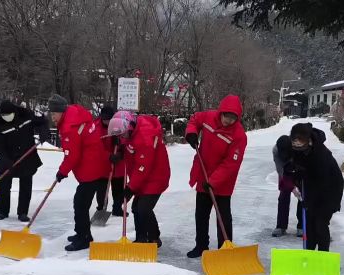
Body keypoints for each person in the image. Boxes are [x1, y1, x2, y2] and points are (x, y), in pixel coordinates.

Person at [183, 94, 247, 258]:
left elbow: (231, 164)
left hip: (223, 182)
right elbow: (194, 120)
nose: (228, 121)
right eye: (227, 116)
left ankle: (224, 248)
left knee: (223, 216)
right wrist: (191, 133)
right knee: (201, 214)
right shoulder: (209, 117)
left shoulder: (239, 135)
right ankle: (201, 245)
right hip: (203, 171)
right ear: (221, 112)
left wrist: (214, 181)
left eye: (233, 118)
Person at [48, 94, 111, 251]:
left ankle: (83, 238)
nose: (52, 117)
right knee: (81, 203)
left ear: (62, 111)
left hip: (90, 169)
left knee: (80, 204)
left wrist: (62, 172)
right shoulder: (75, 115)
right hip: (95, 165)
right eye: (51, 113)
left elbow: (72, 155)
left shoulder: (70, 127)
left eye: (54, 113)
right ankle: (83, 233)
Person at [105, 111, 170, 248]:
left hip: (156, 176)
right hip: (141, 176)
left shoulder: (146, 138)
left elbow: (143, 166)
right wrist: (121, 152)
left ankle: (154, 238)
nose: (121, 137)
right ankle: (141, 238)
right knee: (136, 207)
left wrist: (130, 188)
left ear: (129, 127)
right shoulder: (130, 131)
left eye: (122, 134)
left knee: (143, 208)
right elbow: (130, 147)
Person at [283, 123, 344, 251]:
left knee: (320, 226)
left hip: (329, 192)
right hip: (311, 190)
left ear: (308, 140)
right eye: (295, 143)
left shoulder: (321, 155)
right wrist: (294, 183)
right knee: (309, 227)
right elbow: (291, 170)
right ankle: (309, 256)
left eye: (300, 143)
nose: (296, 146)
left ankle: (323, 257)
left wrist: (309, 201)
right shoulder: (296, 150)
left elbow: (321, 181)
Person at [0, 100, 46, 222]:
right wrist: (5, 160)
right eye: (4, 115)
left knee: (26, 184)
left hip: (27, 155)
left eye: (9, 114)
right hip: (8, 158)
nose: (6, 117)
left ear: (14, 111)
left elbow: (41, 121)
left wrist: (43, 132)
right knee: (4, 184)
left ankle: (23, 212)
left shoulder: (25, 114)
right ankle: (3, 212)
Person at [96, 105, 126, 217]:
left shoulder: (120, 124)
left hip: (118, 163)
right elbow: (96, 147)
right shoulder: (97, 127)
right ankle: (101, 209)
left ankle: (117, 208)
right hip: (104, 164)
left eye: (109, 120)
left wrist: (121, 150)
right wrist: (108, 156)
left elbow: (126, 137)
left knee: (118, 188)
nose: (107, 122)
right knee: (102, 190)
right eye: (105, 120)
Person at [271, 135, 304, 237]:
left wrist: (298, 186)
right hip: (285, 170)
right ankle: (281, 226)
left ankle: (302, 226)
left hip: (299, 168)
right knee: (284, 195)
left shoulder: (299, 147)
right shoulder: (276, 151)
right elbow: (281, 172)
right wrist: (292, 188)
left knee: (303, 196)